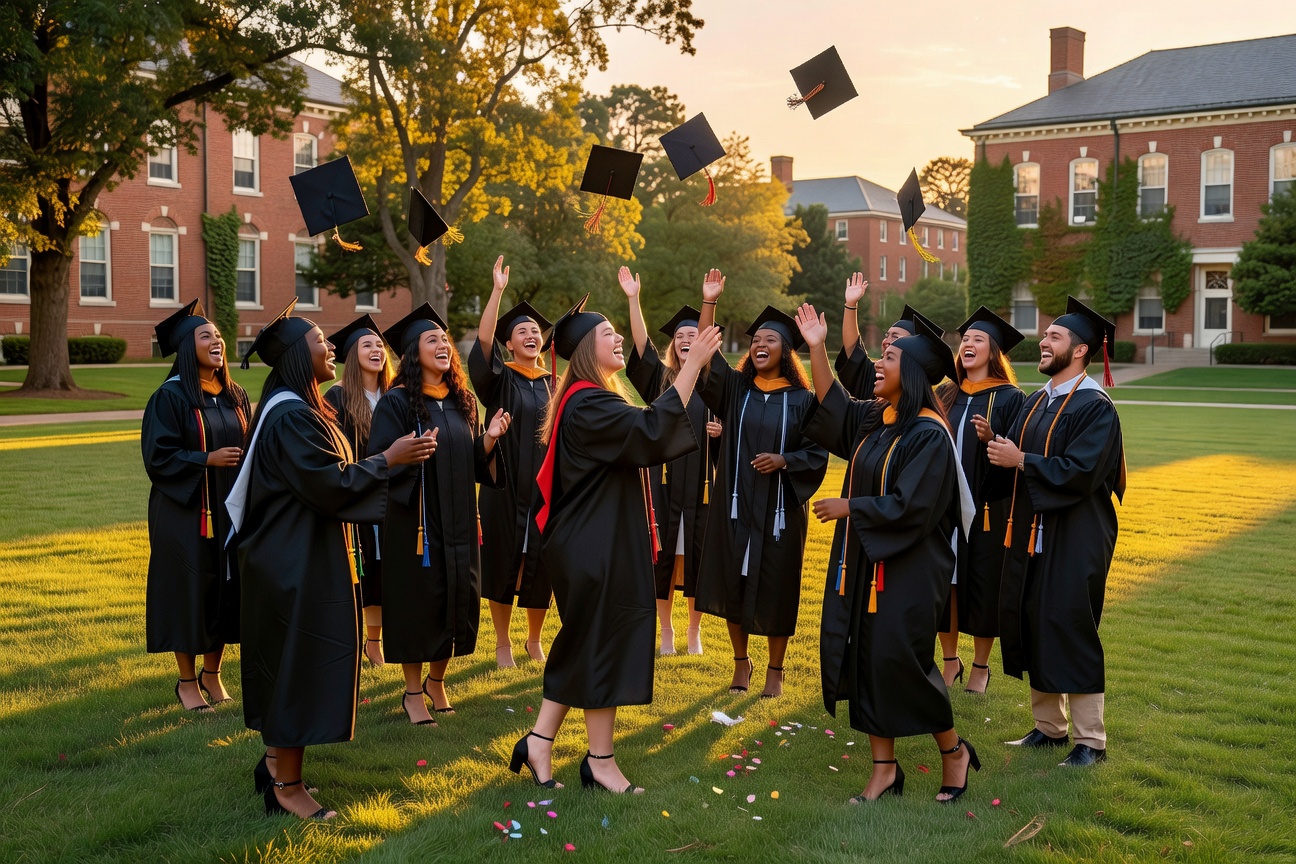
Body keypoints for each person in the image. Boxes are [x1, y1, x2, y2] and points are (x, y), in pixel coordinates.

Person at [229, 301, 436, 820]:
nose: (331, 348)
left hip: (296, 553)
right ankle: (287, 788)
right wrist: (388, 459)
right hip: (293, 563)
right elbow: (329, 483)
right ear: (299, 356)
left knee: (288, 664)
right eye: (320, 341)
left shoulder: (297, 407)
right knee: (296, 666)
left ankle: (273, 766)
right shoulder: (291, 416)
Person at [507, 295, 722, 793]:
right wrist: (690, 366)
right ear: (587, 348)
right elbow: (650, 431)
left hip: (593, 540)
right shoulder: (588, 402)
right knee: (600, 643)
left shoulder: (587, 399)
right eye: (609, 333)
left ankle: (544, 743)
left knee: (589, 642)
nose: (619, 337)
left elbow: (643, 433)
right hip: (594, 544)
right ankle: (596, 760)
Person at [795, 302, 982, 803]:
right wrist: (817, 348)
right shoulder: (881, 418)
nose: (879, 363)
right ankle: (884, 771)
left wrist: (850, 506)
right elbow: (833, 404)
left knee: (901, 661)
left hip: (909, 569)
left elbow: (911, 505)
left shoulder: (929, 434)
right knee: (867, 659)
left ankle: (953, 752)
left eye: (891, 359)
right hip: (868, 561)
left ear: (913, 373)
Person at [987, 296, 1125, 768]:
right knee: (1035, 618)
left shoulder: (1095, 407)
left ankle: (1091, 741)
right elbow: (1014, 458)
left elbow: (1082, 472)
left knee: (1070, 624)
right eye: (1045, 335)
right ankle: (1049, 727)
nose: (1043, 341)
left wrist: (1022, 459)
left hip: (1076, 535)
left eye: (1054, 336)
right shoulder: (1036, 401)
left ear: (1081, 350)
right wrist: (995, 444)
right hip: (1033, 531)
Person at [370, 304, 511, 726]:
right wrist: (408, 456)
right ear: (413, 353)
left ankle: (437, 681)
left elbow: (470, 463)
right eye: (432, 340)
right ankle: (413, 693)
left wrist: (488, 439)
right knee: (420, 604)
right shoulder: (396, 403)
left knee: (455, 599)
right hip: (416, 524)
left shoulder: (462, 402)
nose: (443, 346)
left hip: (459, 520)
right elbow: (379, 461)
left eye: (445, 340)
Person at [695, 273, 829, 698]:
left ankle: (775, 668)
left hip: (779, 511)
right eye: (756, 340)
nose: (760, 345)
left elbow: (817, 453)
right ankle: (741, 663)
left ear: (785, 351)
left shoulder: (804, 401)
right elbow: (705, 356)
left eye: (771, 339)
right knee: (733, 583)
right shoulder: (736, 390)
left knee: (777, 587)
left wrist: (785, 460)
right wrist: (709, 303)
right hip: (736, 507)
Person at [141, 299, 249, 713]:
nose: (217, 341)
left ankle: (212, 673)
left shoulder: (235, 395)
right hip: (185, 512)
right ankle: (187, 682)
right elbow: (158, 457)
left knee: (225, 589)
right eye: (207, 336)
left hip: (229, 509)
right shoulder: (169, 397)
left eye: (219, 335)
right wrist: (206, 459)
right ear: (188, 347)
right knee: (188, 593)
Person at [620, 267, 722, 656]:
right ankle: (666, 631)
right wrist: (634, 299)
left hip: (702, 487)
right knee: (661, 558)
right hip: (663, 485)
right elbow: (641, 348)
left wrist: (722, 432)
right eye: (679, 336)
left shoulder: (715, 384)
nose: (685, 340)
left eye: (693, 335)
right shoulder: (662, 381)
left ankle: (694, 631)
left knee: (698, 559)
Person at [933, 307, 1027, 693]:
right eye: (966, 339)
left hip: (988, 507)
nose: (968, 344)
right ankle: (950, 660)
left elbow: (1017, 454)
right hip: (943, 508)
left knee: (985, 585)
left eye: (978, 339)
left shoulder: (1010, 398)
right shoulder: (945, 393)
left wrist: (992, 439)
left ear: (994, 352)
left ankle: (981, 665)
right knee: (946, 583)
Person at [469, 256, 554, 668]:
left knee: (542, 565)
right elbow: (483, 344)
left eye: (535, 331)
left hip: (544, 488)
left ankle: (534, 639)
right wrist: (497, 291)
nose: (531, 335)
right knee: (502, 559)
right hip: (503, 487)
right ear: (510, 344)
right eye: (522, 331)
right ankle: (502, 642)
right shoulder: (500, 378)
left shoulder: (554, 384)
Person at [324, 314, 396, 668]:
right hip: (359, 492)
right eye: (367, 345)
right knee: (365, 566)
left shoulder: (396, 395)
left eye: (379, 345)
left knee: (387, 570)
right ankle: (362, 641)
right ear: (352, 355)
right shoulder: (337, 397)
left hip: (394, 494)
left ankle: (377, 641)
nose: (376, 350)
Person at [835, 271, 924, 400]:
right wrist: (850, 305)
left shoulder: (919, 390)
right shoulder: (875, 375)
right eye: (886, 335)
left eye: (895, 337)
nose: (887, 340)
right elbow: (853, 350)